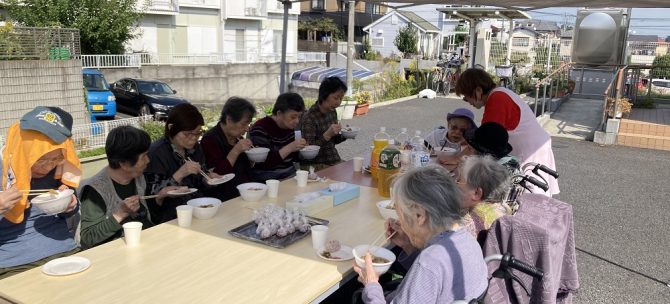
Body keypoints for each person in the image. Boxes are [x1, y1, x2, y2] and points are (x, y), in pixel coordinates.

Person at [354, 166, 488, 303]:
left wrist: (371, 285)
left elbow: (430, 271)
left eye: (401, 215)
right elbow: (434, 280)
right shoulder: (468, 239)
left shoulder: (428, 262)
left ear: (419, 216)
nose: (401, 223)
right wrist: (408, 245)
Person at [0, 107, 81, 279]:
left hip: (65, 251)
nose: (48, 166)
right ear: (25, 152)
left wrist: (71, 205)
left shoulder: (59, 170)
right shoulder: (3, 169)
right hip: (15, 263)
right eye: (41, 159)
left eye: (56, 158)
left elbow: (72, 210)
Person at [455, 68, 559, 196]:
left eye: (466, 98)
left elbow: (485, 144)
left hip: (530, 152)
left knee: (530, 199)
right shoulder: (500, 94)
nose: (469, 102)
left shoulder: (497, 100)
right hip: (534, 147)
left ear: (478, 91)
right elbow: (484, 137)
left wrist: (455, 158)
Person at [79, 126, 177, 249]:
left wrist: (159, 197)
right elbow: (88, 238)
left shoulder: (139, 177)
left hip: (146, 245)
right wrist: (120, 214)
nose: (148, 160)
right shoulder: (95, 189)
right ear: (123, 163)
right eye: (144, 156)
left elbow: (148, 217)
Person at [144, 103, 217, 223]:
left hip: (199, 209)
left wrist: (208, 179)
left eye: (198, 132)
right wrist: (180, 173)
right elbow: (151, 196)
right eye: (187, 134)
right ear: (171, 128)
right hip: (171, 217)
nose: (194, 138)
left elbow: (200, 180)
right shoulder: (156, 153)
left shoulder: (196, 148)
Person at [201, 97, 256, 201]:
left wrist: (252, 158)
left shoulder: (237, 136)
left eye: (248, 124)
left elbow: (244, 169)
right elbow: (216, 177)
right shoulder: (209, 140)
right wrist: (236, 151)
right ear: (229, 120)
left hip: (246, 193)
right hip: (226, 199)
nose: (247, 128)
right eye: (244, 124)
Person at [248, 92, 307, 181]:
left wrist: (303, 150)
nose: (297, 121)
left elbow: (294, 158)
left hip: (290, 176)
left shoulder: (289, 127)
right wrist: (290, 147)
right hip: (267, 180)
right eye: (293, 117)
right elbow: (264, 163)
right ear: (279, 113)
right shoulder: (260, 128)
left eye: (299, 117)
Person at [456, 155, 512, 244]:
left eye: (459, 180)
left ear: (476, 193)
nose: (456, 184)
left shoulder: (463, 227)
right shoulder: (504, 209)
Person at [298, 76, 348, 171]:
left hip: (333, 160)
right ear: (324, 95)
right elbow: (308, 151)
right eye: (336, 98)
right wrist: (327, 135)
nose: (338, 103)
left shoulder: (332, 111)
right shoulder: (310, 117)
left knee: (356, 170)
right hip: (315, 165)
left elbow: (334, 141)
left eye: (341, 98)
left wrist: (345, 135)